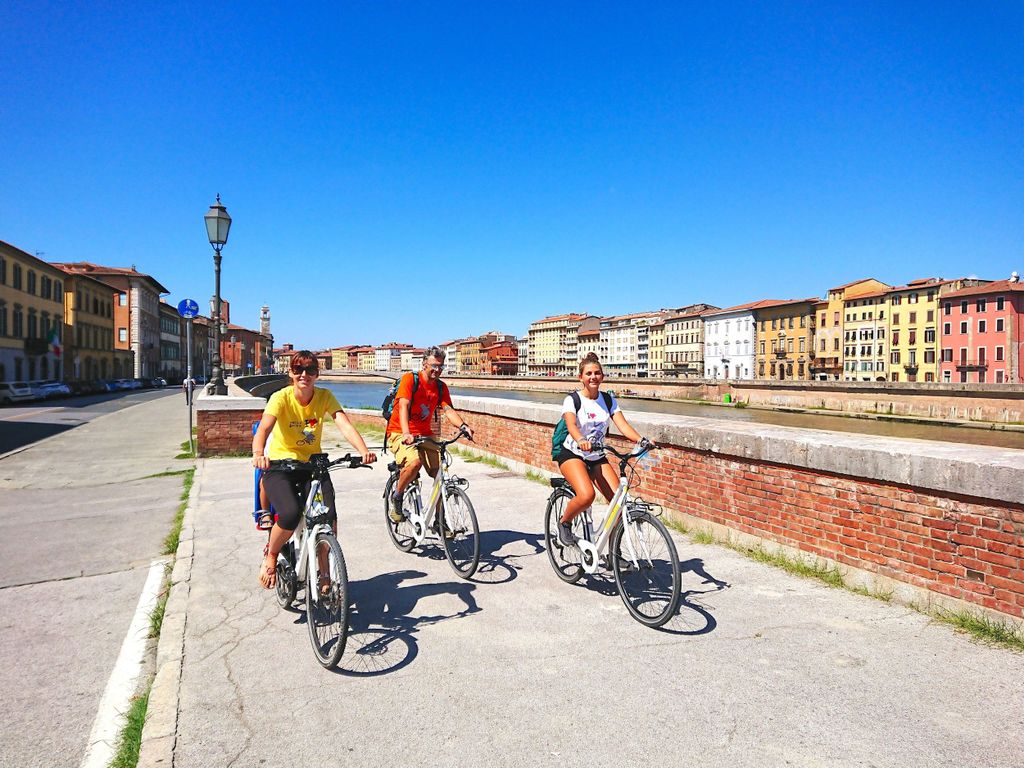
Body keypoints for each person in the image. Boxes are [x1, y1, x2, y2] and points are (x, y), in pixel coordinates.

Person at [252, 351, 376, 588]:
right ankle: (271, 555)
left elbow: (344, 425)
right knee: (289, 514)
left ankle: (325, 573)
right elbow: (264, 429)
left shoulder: (324, 396)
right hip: (280, 466)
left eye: (310, 370)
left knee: (328, 517)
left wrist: (363, 450)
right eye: (298, 370)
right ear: (290, 373)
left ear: (317, 374)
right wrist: (259, 455)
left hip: (312, 466)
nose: (304, 375)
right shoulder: (281, 398)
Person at [554, 352, 650, 546]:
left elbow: (623, 426)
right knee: (587, 495)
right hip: (573, 453)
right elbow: (571, 424)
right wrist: (581, 439)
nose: (593, 377)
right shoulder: (572, 400)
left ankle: (613, 554)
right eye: (588, 373)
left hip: (596, 455)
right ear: (580, 377)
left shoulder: (607, 400)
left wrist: (642, 440)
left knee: (619, 504)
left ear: (602, 377)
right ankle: (564, 523)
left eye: (597, 373)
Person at [386, 347, 473, 522]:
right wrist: (406, 433)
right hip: (399, 432)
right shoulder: (411, 380)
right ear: (424, 363)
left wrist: (463, 426)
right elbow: (403, 406)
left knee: (440, 474)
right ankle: (397, 496)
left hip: (425, 434)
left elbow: (448, 410)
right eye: (434, 365)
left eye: (441, 366)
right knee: (414, 463)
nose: (437, 370)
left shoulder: (440, 387)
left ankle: (440, 521)